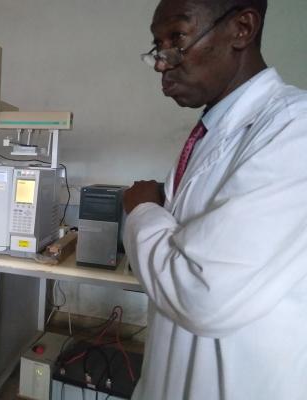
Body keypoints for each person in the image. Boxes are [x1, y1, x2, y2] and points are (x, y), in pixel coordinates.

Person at [122, 0, 307, 399]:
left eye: (178, 39)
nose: (161, 63)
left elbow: (202, 294)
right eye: (158, 46)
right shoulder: (214, 131)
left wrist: (142, 209)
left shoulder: (295, 129)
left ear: (241, 29)